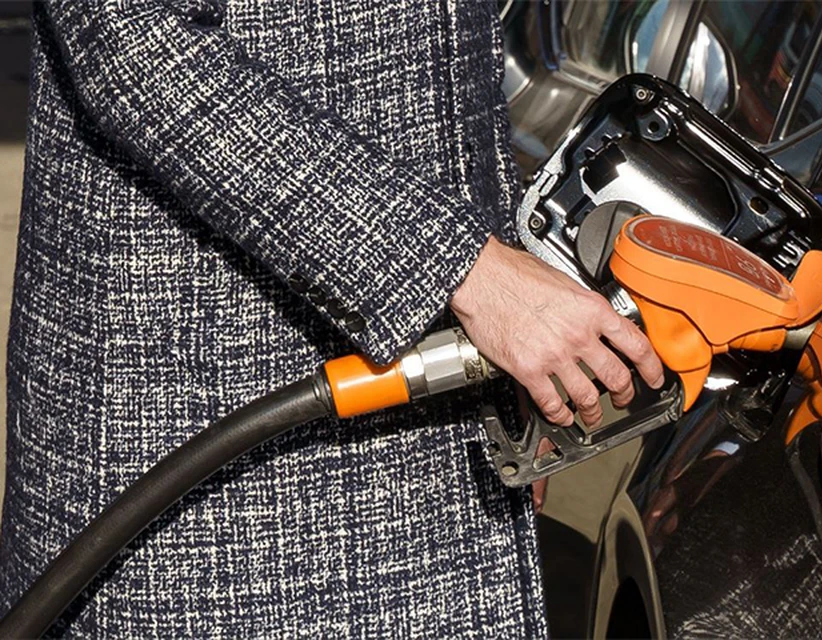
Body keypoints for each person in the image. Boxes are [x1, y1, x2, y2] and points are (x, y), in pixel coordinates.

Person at [0, 1, 663, 635]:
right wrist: (459, 269)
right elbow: (130, 39)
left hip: (414, 412)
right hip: (209, 400)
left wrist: (502, 306)